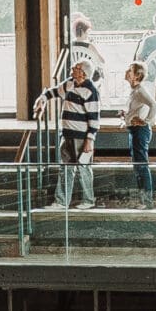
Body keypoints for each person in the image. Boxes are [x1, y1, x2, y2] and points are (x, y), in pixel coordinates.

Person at [53, 59, 103, 209]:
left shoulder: (91, 91)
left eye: (77, 67)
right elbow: (54, 91)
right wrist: (42, 99)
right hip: (67, 135)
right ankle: (62, 201)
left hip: (81, 137)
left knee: (83, 168)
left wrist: (89, 140)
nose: (73, 68)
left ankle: (88, 200)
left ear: (83, 73)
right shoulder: (70, 84)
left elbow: (94, 119)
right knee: (65, 169)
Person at [121, 59, 156, 207]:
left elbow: (155, 106)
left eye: (129, 71)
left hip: (139, 132)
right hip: (134, 130)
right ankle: (144, 200)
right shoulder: (133, 91)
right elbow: (134, 110)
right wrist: (126, 116)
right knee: (138, 166)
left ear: (136, 76)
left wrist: (147, 121)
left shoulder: (140, 90)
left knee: (141, 166)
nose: (126, 72)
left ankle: (147, 201)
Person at [58, 12, 106, 85]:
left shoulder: (70, 45)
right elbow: (102, 61)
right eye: (87, 32)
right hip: (89, 76)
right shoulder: (89, 46)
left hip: (74, 75)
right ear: (83, 32)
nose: (88, 34)